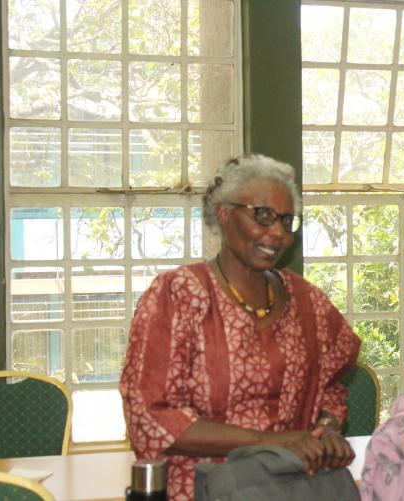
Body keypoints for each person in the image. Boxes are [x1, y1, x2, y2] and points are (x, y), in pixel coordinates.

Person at [119, 154, 362, 501]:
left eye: (286, 221)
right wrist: (269, 441)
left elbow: (331, 388)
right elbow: (150, 415)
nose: (277, 233)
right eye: (262, 216)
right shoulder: (178, 295)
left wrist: (325, 429)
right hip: (201, 488)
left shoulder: (309, 302)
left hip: (295, 485)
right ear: (224, 214)